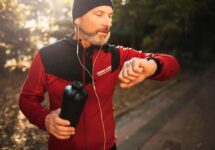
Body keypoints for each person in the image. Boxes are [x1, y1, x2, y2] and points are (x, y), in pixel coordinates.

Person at [19, 0, 180, 149]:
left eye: (110, 16)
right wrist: (45, 119)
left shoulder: (115, 55)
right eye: (99, 14)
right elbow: (27, 99)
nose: (108, 22)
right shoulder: (47, 56)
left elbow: (172, 64)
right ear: (77, 19)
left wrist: (151, 66)